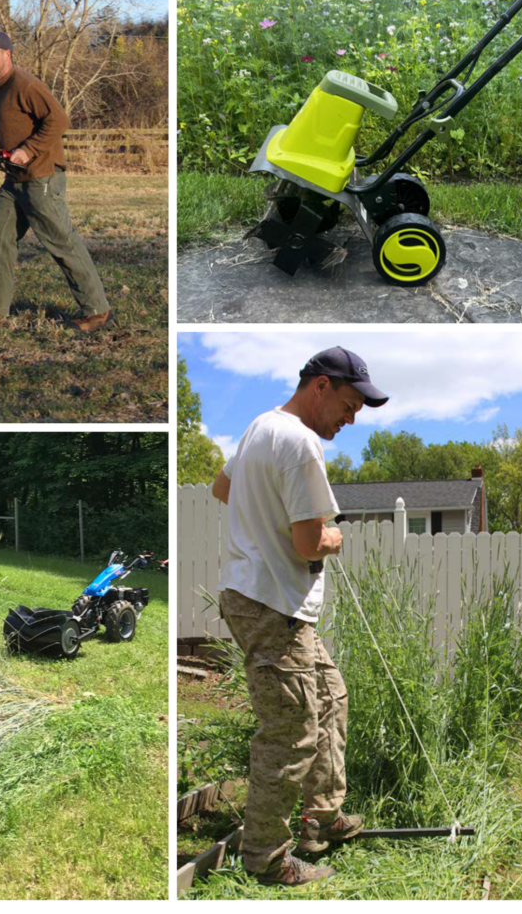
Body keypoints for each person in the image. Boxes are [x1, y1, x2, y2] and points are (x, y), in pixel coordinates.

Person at [210, 346, 389, 886]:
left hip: (268, 600)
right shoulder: (301, 443)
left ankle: (323, 818)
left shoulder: (260, 428)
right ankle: (267, 857)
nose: (351, 418)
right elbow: (310, 542)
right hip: (273, 605)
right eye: (350, 404)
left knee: (331, 696)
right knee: (290, 733)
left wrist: (262, 516)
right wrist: (331, 538)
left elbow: (222, 488)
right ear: (321, 387)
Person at [0, 32, 112, 332]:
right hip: (14, 180)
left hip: (41, 178)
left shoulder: (26, 84)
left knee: (61, 241)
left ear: (7, 54)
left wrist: (28, 149)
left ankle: (97, 310)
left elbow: (59, 120)